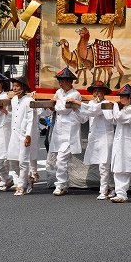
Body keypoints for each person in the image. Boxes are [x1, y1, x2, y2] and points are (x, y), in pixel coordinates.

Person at [49, 68, 85, 196]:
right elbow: (53, 105)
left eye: (63, 80)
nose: (60, 83)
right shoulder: (59, 92)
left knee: (61, 159)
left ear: (70, 81)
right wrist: (56, 103)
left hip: (70, 131)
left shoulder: (75, 94)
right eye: (59, 81)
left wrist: (57, 102)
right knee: (59, 159)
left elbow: (65, 109)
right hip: (59, 130)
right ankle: (63, 184)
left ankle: (60, 184)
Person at [79, 81, 116, 200]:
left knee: (104, 165)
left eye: (99, 91)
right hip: (94, 137)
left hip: (106, 137)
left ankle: (103, 191)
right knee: (103, 164)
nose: (96, 93)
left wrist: (78, 104)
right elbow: (83, 118)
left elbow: (93, 111)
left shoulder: (106, 104)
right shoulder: (90, 103)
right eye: (95, 91)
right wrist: (74, 110)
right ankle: (112, 187)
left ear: (104, 92)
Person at [6, 76, 40, 196]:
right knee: (12, 161)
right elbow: (14, 115)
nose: (14, 88)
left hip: (24, 134)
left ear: (24, 87)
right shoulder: (14, 100)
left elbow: (31, 119)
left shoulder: (29, 100)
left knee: (23, 161)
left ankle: (21, 186)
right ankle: (27, 179)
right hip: (14, 133)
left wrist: (29, 135)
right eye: (13, 86)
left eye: (17, 86)